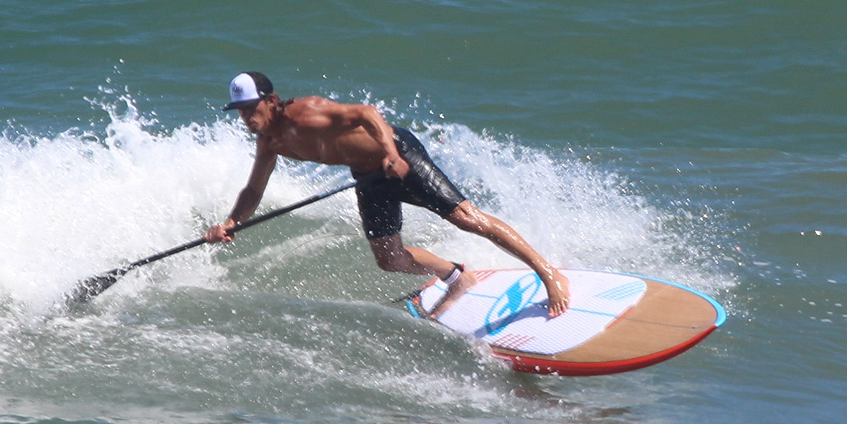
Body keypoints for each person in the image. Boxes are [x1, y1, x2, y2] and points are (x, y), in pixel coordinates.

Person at [204, 71, 572, 317]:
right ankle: (456, 277)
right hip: (368, 176)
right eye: (240, 111)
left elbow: (368, 114)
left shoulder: (307, 115)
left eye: (251, 108)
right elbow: (253, 189)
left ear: (271, 101)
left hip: (399, 155)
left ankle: (549, 274)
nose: (246, 117)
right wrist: (231, 222)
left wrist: (392, 154)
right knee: (389, 258)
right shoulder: (269, 143)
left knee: (466, 219)